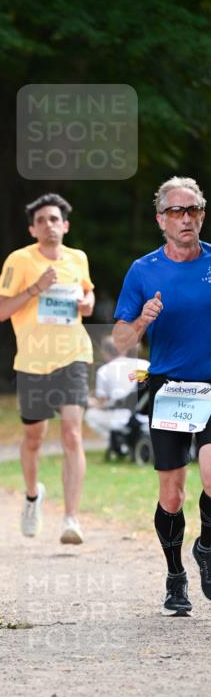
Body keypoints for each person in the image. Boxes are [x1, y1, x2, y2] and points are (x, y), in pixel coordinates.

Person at [112, 176, 211, 615]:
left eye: (192, 210)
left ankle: (206, 547)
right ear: (161, 220)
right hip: (170, 388)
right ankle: (175, 576)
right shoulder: (143, 270)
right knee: (171, 494)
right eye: (176, 211)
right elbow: (118, 341)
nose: (186, 218)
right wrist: (141, 322)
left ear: (202, 215)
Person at [0, 194, 95, 544]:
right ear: (32, 228)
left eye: (55, 219)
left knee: (72, 433)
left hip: (73, 354)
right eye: (42, 220)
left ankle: (71, 518)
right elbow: (1, 311)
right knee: (34, 437)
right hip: (33, 361)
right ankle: (33, 496)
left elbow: (88, 297)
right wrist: (36, 289)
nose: (49, 225)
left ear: (65, 225)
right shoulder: (19, 260)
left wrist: (86, 303)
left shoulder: (78, 258)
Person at [85, 336, 149, 440]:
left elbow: (103, 403)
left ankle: (117, 441)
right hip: (147, 416)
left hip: (121, 418)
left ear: (105, 353)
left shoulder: (104, 370)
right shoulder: (145, 365)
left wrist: (89, 402)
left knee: (90, 415)